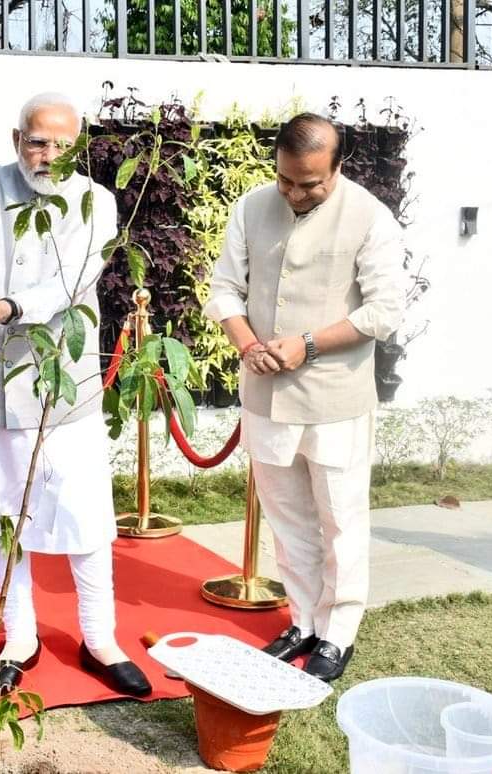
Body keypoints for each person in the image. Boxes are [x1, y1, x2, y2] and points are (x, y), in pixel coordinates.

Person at [0, 92, 151, 698]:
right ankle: (20, 637)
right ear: (14, 138)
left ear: (79, 144)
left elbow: (72, 282)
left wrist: (3, 308)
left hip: (58, 385)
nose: (46, 155)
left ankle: (101, 639)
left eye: (60, 144)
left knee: (84, 516)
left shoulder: (97, 202)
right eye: (35, 141)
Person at [203, 113, 404, 682]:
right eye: (287, 180)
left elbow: (384, 312)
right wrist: (246, 343)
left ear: (339, 166)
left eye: (311, 184)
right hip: (266, 394)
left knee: (340, 519)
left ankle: (338, 633)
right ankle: (303, 619)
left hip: (336, 400)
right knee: (288, 520)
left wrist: (308, 345)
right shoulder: (250, 207)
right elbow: (224, 289)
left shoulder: (370, 216)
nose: (295, 193)